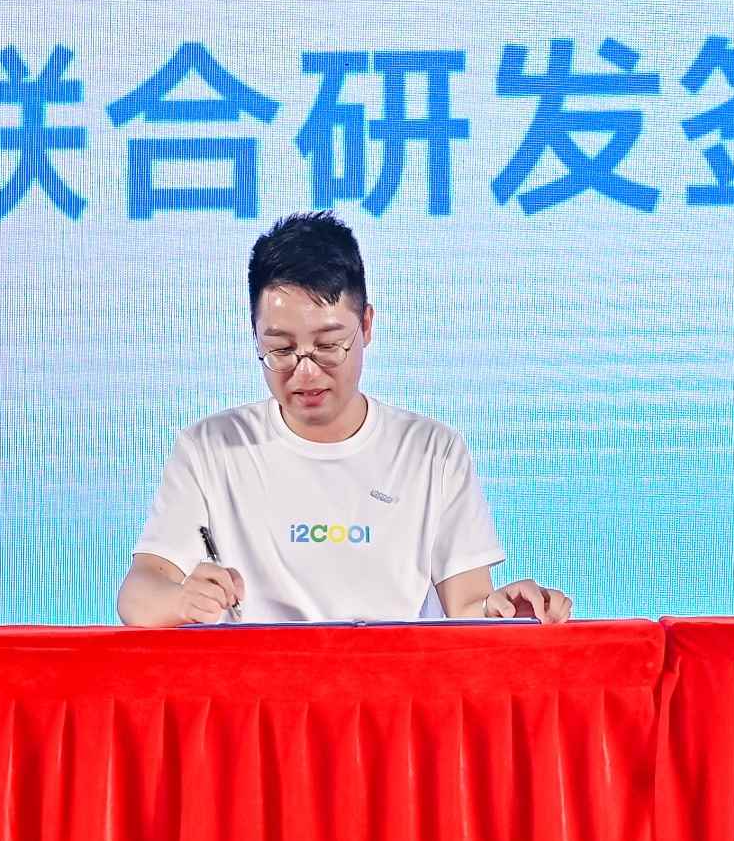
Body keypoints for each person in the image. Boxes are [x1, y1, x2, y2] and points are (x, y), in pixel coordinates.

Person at [118, 212, 574, 627]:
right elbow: (139, 593)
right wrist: (179, 600)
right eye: (281, 349)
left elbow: (468, 607)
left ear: (367, 325)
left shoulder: (431, 450)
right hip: (260, 686)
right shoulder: (212, 447)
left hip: (392, 686)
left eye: (328, 345)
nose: (305, 371)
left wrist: (503, 611)